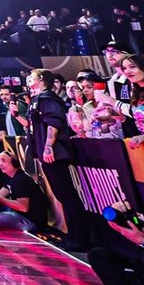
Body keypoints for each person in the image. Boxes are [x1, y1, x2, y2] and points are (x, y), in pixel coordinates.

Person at [27, 68, 90, 249]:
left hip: (55, 153)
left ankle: (79, 238)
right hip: (46, 153)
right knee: (63, 195)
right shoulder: (37, 100)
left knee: (68, 195)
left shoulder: (47, 99)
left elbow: (53, 122)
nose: (28, 80)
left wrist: (48, 147)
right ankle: (72, 235)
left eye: (31, 77)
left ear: (40, 79)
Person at [0, 151, 47, 232]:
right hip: (21, 216)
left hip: (31, 222)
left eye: (3, 161)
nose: (0, 164)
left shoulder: (20, 179)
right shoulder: (10, 178)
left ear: (14, 163)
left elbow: (23, 207)